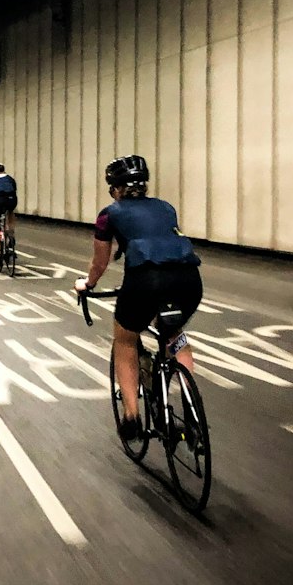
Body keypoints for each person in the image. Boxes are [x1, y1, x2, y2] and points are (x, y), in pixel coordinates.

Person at [75, 155, 202, 444]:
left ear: (115, 188)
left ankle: (132, 417)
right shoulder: (166, 208)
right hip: (189, 280)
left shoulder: (109, 214)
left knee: (125, 339)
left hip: (146, 281)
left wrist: (87, 284)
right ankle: (191, 408)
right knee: (174, 334)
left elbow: (100, 262)